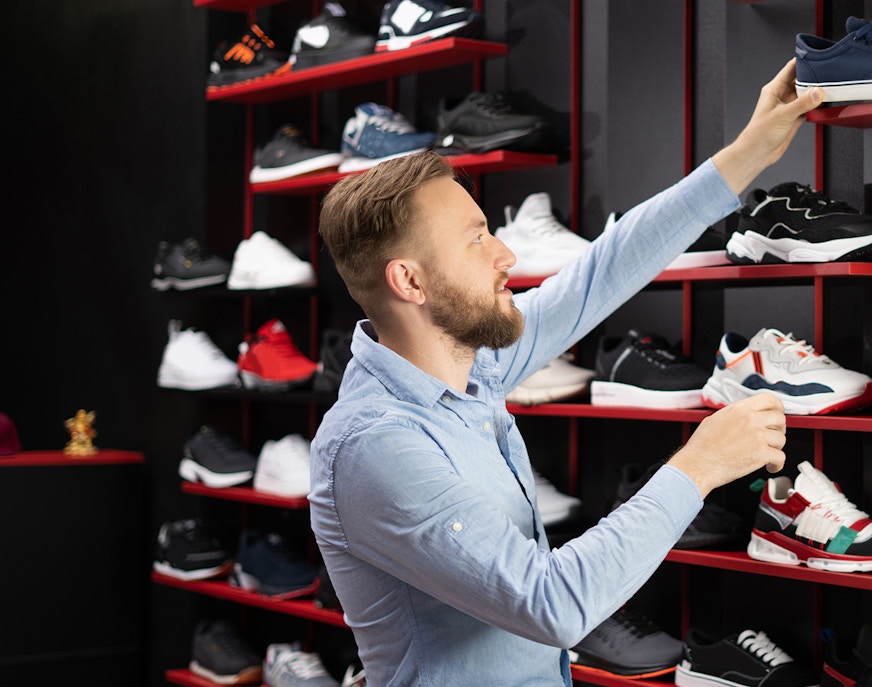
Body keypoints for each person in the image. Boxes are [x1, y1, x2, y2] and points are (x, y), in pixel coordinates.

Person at [311, 59, 824, 686]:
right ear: (410, 281)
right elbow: (550, 605)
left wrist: (748, 154)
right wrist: (699, 466)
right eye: (476, 239)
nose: (507, 254)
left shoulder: (474, 364)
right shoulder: (374, 445)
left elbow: (602, 270)